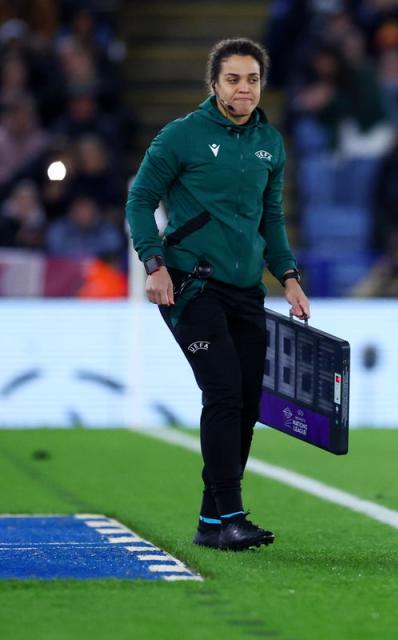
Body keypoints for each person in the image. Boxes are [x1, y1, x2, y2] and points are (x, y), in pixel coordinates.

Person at [126, 38, 310, 551]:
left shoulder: (270, 144)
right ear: (214, 83)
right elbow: (140, 200)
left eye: (252, 79)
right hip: (189, 287)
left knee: (247, 402)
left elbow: (270, 218)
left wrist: (289, 277)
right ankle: (231, 515)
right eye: (233, 79)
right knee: (226, 393)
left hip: (247, 291)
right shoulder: (181, 137)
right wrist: (154, 264)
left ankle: (212, 523)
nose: (243, 88)